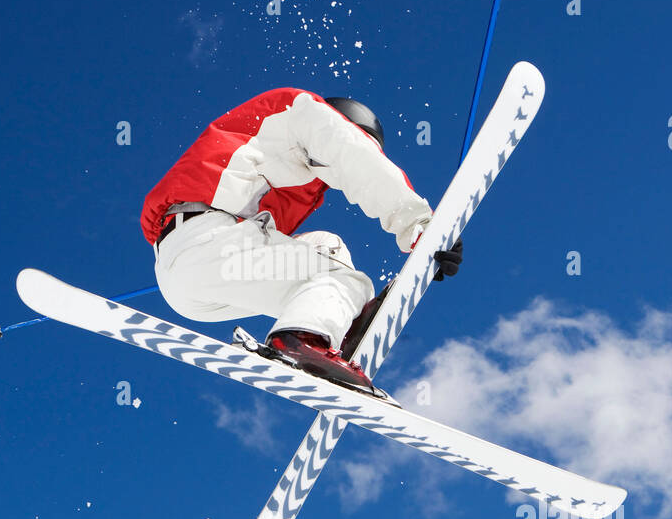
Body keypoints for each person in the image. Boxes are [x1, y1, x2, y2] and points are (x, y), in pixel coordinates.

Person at [141, 88, 462, 391]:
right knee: (340, 277)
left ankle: (331, 332)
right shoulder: (304, 113)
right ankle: (302, 341)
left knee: (326, 247)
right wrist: (423, 229)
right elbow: (354, 157)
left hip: (191, 280)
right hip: (204, 240)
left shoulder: (283, 169)